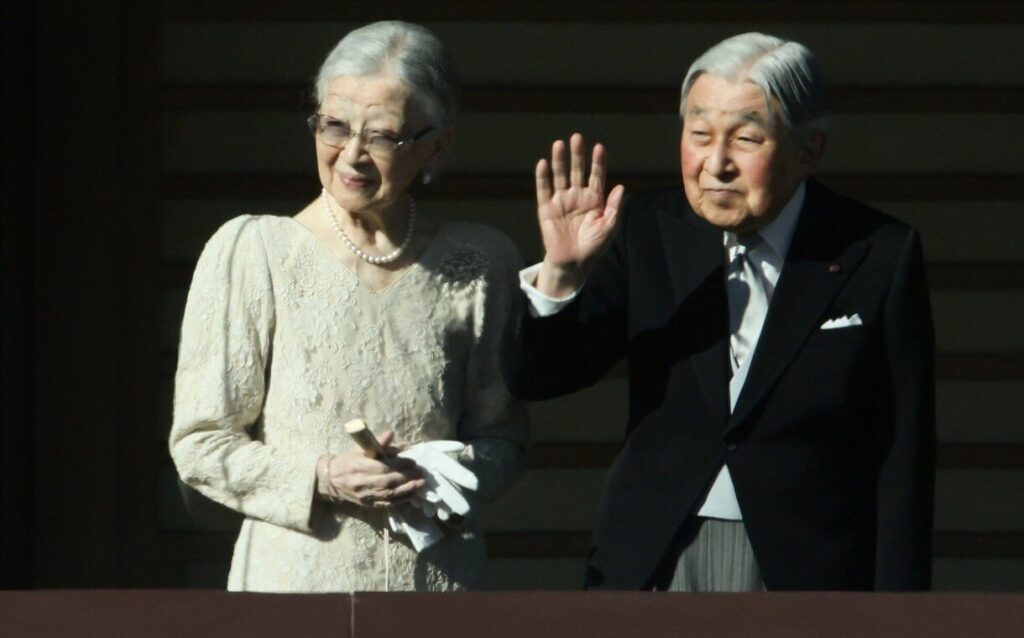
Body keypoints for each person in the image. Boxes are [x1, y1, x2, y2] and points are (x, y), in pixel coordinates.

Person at [508, 32, 935, 591]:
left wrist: (900, 612)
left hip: (807, 562)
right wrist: (561, 275)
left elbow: (904, 449)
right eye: (700, 135)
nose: (716, 164)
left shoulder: (875, 252)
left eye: (746, 139)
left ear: (810, 150)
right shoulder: (647, 230)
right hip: (656, 548)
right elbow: (540, 376)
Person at [169, 21, 527, 592]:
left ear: (437, 146)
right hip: (295, 588)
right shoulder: (255, 252)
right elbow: (200, 443)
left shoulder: (481, 260)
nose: (352, 154)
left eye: (383, 135)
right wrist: (323, 477)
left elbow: (504, 439)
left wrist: (440, 472)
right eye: (334, 126)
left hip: (438, 586)